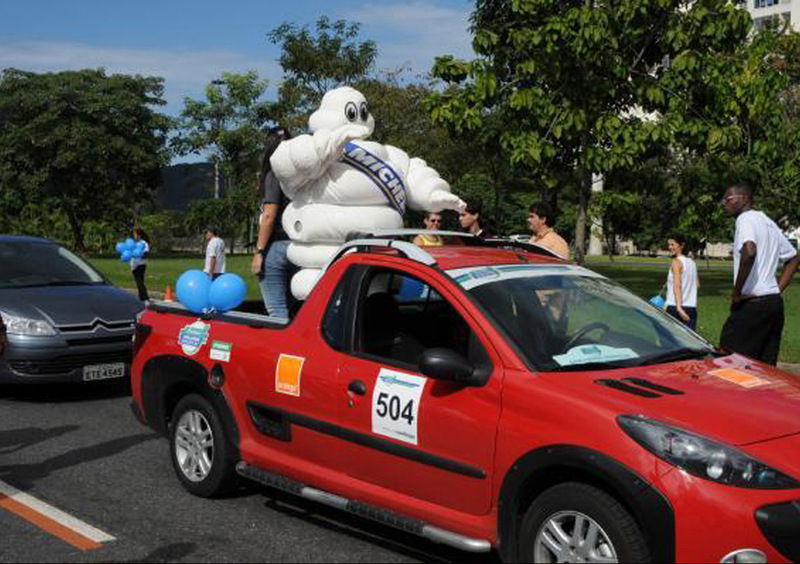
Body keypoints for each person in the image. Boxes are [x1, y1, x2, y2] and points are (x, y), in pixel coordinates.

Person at [719, 182, 799, 365]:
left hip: (752, 305)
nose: (725, 203)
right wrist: (776, 290)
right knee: (765, 367)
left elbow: (749, 251)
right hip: (773, 304)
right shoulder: (768, 222)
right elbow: (793, 258)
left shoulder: (745, 219)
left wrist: (736, 293)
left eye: (729, 199)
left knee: (730, 360)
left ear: (745, 199)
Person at [251, 127, 294, 318]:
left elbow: (269, 215)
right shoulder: (302, 175)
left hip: (277, 245)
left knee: (277, 310)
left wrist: (259, 252)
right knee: (296, 308)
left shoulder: (275, 173)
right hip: (301, 247)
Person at [665, 235, 699, 330]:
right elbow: (697, 285)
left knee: (670, 342)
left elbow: (677, 286)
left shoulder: (676, 262)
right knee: (689, 342)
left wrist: (679, 308)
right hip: (691, 307)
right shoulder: (692, 263)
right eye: (669, 245)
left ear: (681, 245)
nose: (670, 247)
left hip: (675, 307)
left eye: (672, 244)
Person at [130, 227, 151, 302]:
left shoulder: (143, 243)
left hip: (140, 265)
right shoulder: (135, 243)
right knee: (139, 282)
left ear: (139, 235)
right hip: (134, 265)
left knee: (140, 282)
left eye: (135, 234)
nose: (134, 235)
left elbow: (146, 254)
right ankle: (141, 297)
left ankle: (145, 298)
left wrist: (137, 254)